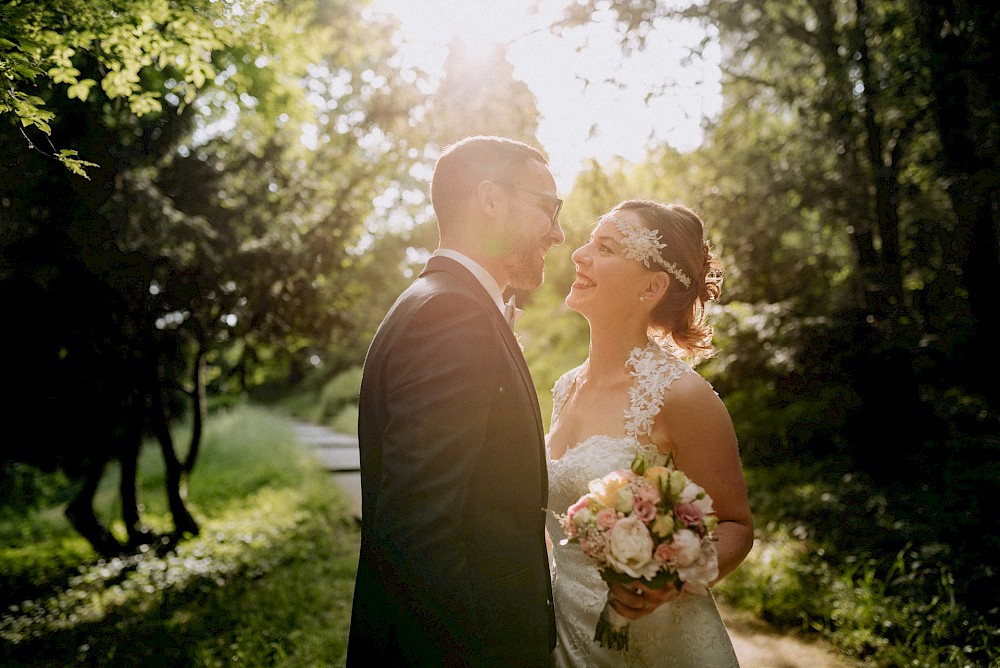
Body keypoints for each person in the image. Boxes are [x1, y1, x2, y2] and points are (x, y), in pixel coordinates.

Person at [347, 135, 565, 667]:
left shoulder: (440, 301)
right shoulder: (452, 316)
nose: (558, 234)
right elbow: (419, 534)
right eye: (548, 208)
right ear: (490, 200)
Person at [545, 199, 754, 667]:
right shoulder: (564, 388)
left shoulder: (682, 396)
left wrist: (670, 579)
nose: (579, 254)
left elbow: (736, 525)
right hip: (566, 637)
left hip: (653, 645)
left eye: (606, 248)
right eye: (589, 243)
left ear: (651, 287)